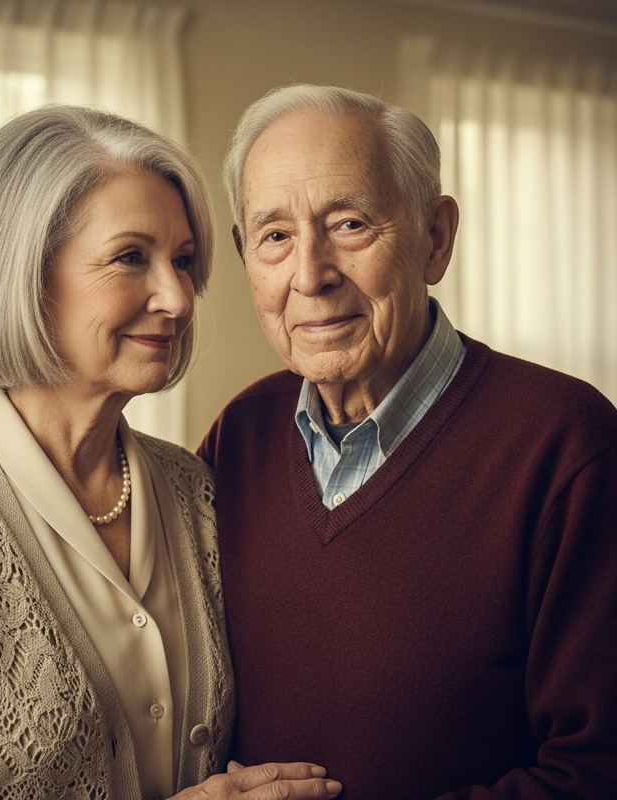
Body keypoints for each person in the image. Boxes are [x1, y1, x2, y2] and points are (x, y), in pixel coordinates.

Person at [0, 105, 342, 800]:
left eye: (185, 262)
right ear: (25, 275)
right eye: (131, 257)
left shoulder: (197, 490)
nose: (179, 298)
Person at [198, 84, 617, 799]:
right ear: (245, 257)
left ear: (435, 237)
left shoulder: (567, 445)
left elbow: (595, 773)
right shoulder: (236, 438)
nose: (310, 275)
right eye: (275, 237)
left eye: (351, 224)